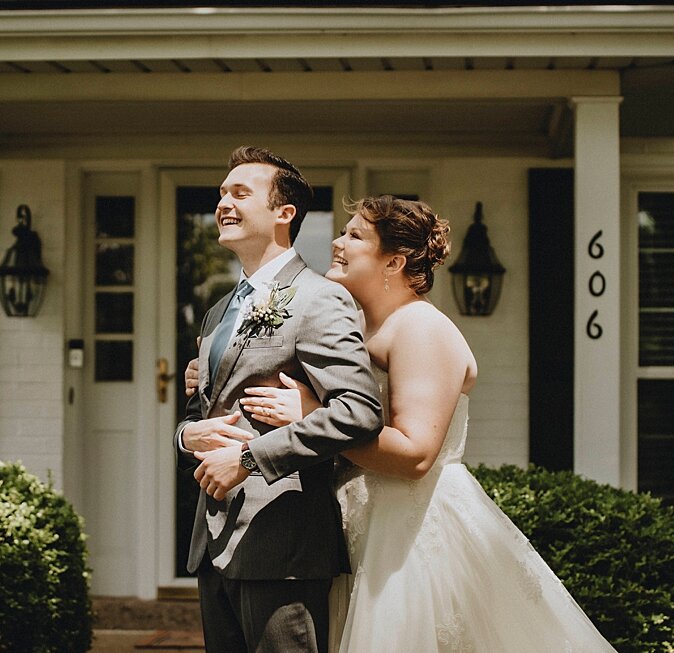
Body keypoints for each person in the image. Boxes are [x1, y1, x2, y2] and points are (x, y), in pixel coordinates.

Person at [187, 195, 618, 652]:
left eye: (354, 235)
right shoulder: (352, 324)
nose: (337, 242)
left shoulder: (420, 328)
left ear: (393, 261)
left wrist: (314, 415)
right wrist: (209, 370)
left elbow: (415, 455)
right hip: (351, 523)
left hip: (407, 531)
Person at [175, 146, 384, 653]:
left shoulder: (320, 298)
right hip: (213, 545)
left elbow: (360, 411)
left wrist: (250, 458)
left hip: (282, 544)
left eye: (240, 193)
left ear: (284, 213)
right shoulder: (219, 310)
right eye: (222, 193)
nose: (224, 202)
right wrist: (187, 436)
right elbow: (200, 411)